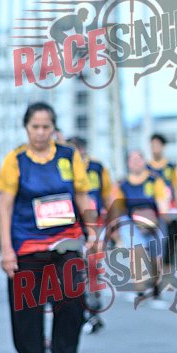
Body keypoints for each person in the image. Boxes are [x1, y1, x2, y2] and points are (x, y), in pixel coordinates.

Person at [0, 103, 95, 353]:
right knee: (27, 306)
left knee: (73, 298)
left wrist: (93, 230)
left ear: (54, 128)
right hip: (28, 243)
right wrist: (6, 250)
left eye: (46, 127)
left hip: (66, 240)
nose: (40, 133)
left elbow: (82, 195)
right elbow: (5, 207)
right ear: (26, 128)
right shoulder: (15, 160)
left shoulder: (68, 156)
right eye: (35, 127)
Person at [109, 151, 169, 304]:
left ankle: (155, 283)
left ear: (143, 161)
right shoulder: (122, 184)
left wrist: (161, 217)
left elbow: (162, 202)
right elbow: (117, 207)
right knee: (137, 252)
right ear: (128, 163)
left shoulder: (154, 180)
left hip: (153, 221)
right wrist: (115, 230)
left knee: (156, 258)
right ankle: (140, 288)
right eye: (132, 160)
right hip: (131, 222)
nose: (136, 163)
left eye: (138, 159)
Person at [68, 135, 114, 332]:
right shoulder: (64, 168)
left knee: (93, 267)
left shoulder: (97, 168)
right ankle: (77, 310)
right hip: (71, 225)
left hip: (95, 224)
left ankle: (93, 310)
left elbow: (108, 195)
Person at [148, 133, 177, 270]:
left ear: (163, 147)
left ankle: (168, 262)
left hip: (170, 206)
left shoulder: (170, 167)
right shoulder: (147, 167)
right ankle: (155, 262)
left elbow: (176, 186)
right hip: (153, 208)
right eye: (153, 145)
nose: (155, 148)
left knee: (172, 234)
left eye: (157, 145)